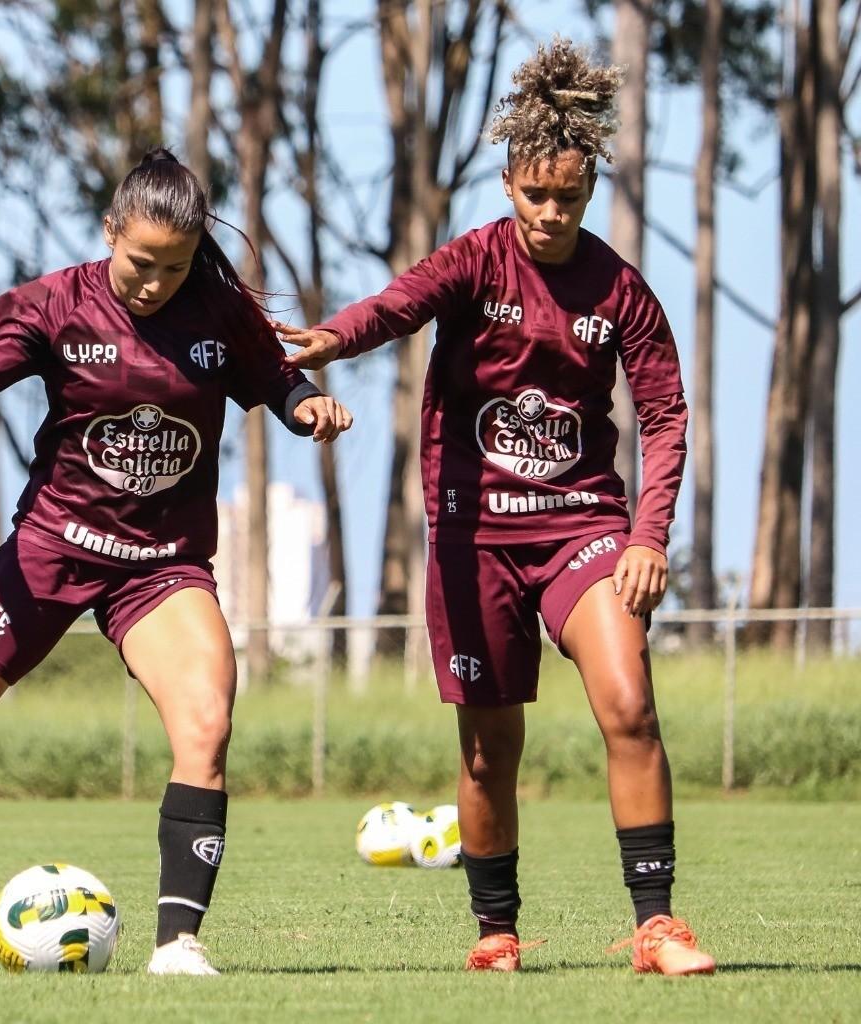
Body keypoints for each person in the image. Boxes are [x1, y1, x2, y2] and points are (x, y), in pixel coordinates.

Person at [0, 149, 352, 974]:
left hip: (161, 566)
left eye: (173, 267)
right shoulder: (56, 302)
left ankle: (177, 946)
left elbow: (273, 377)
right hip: (53, 547)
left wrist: (306, 403)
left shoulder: (217, 308)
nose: (154, 282)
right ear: (109, 233)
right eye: (140, 262)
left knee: (206, 723)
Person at [277, 39, 714, 976]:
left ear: (590, 189)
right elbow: (396, 306)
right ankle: (496, 934)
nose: (552, 214)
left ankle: (657, 926)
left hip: (583, 529)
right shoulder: (473, 262)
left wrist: (648, 533)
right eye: (536, 195)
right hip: (475, 538)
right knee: (488, 750)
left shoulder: (620, 291)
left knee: (631, 705)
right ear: (509, 180)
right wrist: (329, 339)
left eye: (571, 198)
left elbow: (667, 412)